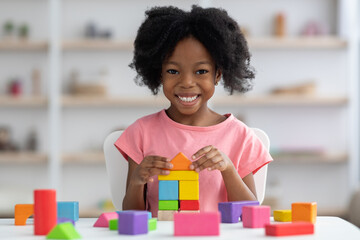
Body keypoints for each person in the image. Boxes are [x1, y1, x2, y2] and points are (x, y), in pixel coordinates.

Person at [115, 5, 273, 217]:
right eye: (173, 71)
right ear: (159, 74)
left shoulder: (240, 136)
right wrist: (137, 181)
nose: (187, 82)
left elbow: (249, 213)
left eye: (201, 71)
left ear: (218, 74)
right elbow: (131, 214)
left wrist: (228, 169)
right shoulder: (141, 132)